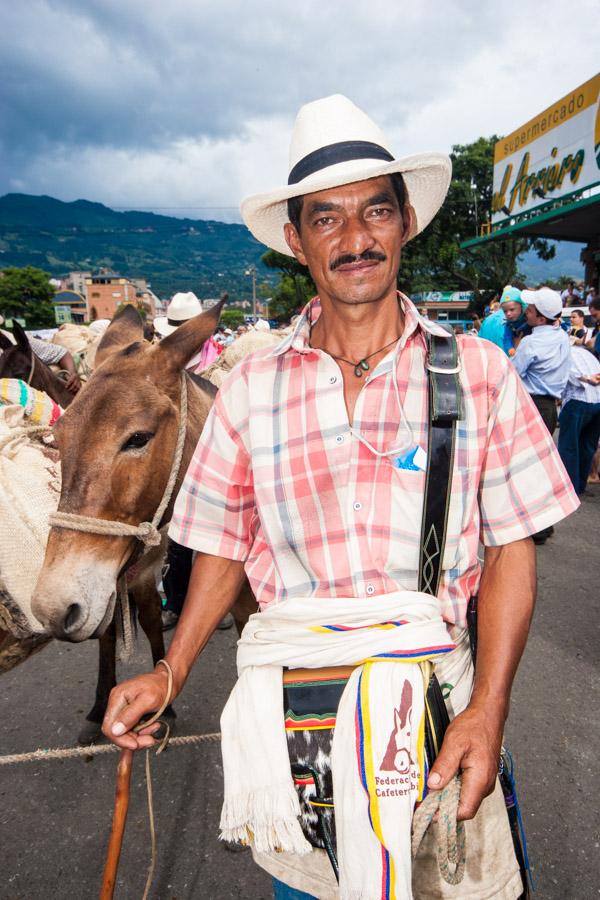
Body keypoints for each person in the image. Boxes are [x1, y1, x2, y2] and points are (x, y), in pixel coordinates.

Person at [102, 94, 579, 899]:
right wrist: (170, 671)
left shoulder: (480, 376)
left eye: (375, 212)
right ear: (296, 240)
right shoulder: (250, 391)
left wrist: (488, 710)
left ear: (403, 224)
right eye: (326, 219)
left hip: (436, 721)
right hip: (296, 739)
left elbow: (511, 551)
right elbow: (221, 546)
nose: (355, 239)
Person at [557, 345, 600, 495]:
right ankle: (580, 486)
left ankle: (569, 488)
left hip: (577, 400)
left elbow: (571, 375)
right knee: (588, 446)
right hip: (598, 401)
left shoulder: (563, 353)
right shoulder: (590, 356)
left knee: (569, 446)